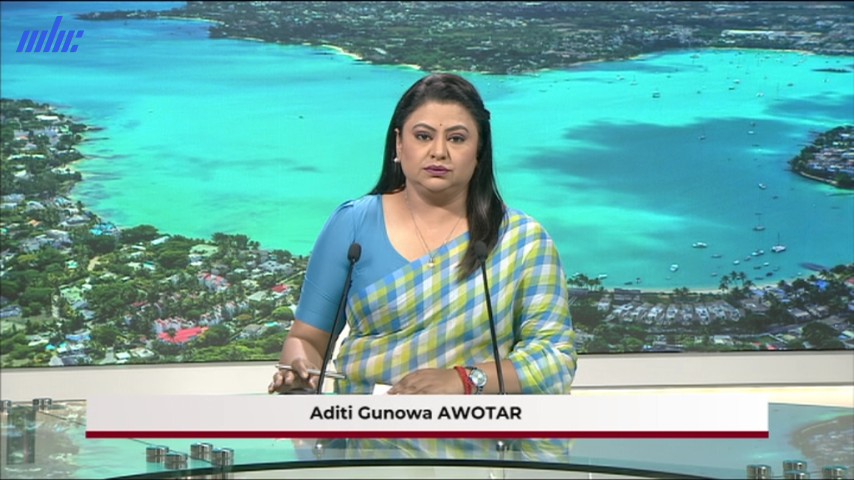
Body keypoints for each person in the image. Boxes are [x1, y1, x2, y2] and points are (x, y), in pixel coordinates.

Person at [268, 72, 576, 395]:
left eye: (457, 139)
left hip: (479, 426)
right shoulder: (352, 224)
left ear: (479, 150)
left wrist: (463, 380)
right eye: (423, 136)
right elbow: (307, 340)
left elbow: (554, 360)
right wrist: (299, 373)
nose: (439, 151)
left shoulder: (523, 241)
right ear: (399, 143)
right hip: (363, 425)